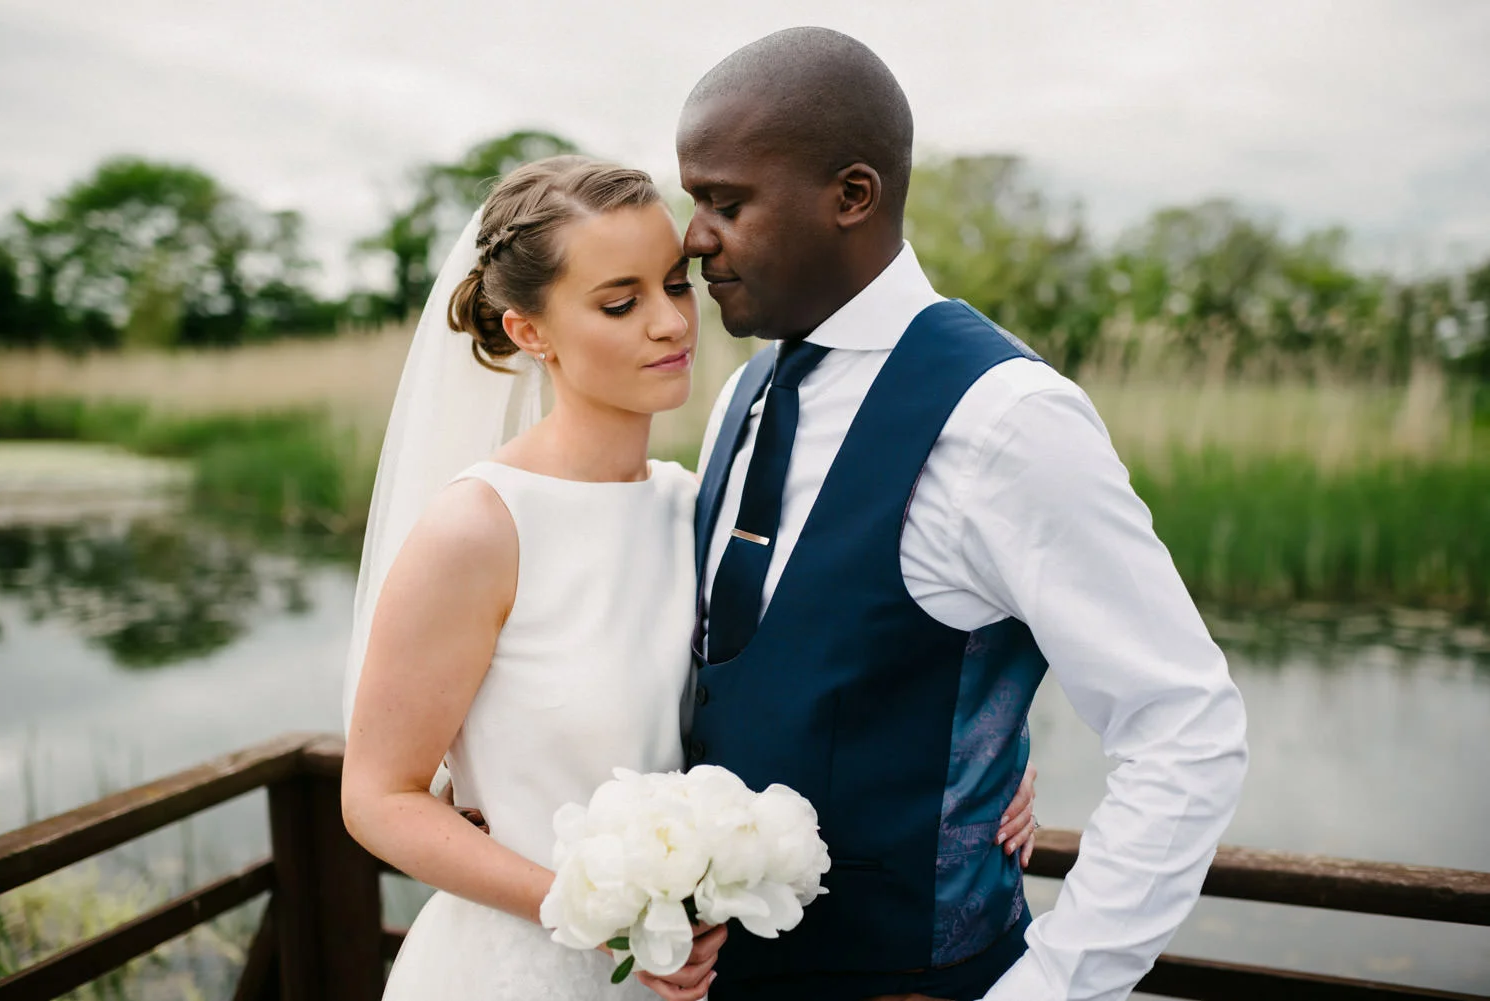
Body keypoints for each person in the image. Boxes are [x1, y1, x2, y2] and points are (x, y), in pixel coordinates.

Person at [339, 155, 1039, 1001]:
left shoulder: (700, 500)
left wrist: (989, 760)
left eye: (676, 284)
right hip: (523, 968)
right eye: (620, 302)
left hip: (693, 977)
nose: (672, 323)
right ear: (530, 331)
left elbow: (815, 677)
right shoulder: (480, 528)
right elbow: (379, 796)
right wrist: (595, 915)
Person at [678, 29, 1249, 1001]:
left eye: (727, 203)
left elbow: (1183, 727)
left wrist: (1053, 986)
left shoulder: (1006, 420)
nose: (694, 237)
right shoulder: (749, 388)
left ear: (852, 196)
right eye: (696, 201)